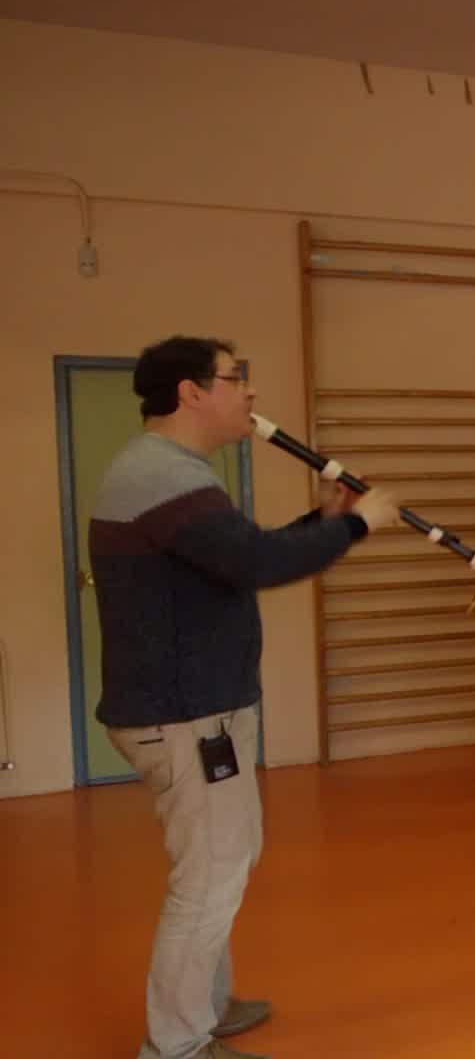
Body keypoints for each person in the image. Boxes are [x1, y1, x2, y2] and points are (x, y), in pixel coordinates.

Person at [93, 335, 397, 1059]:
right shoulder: (161, 474)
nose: (251, 393)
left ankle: (205, 1005)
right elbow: (255, 562)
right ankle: (177, 1044)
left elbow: (233, 557)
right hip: (186, 713)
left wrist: (324, 522)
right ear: (192, 392)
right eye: (236, 379)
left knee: (227, 859)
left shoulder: (170, 472)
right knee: (209, 876)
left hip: (198, 708)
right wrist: (358, 523)